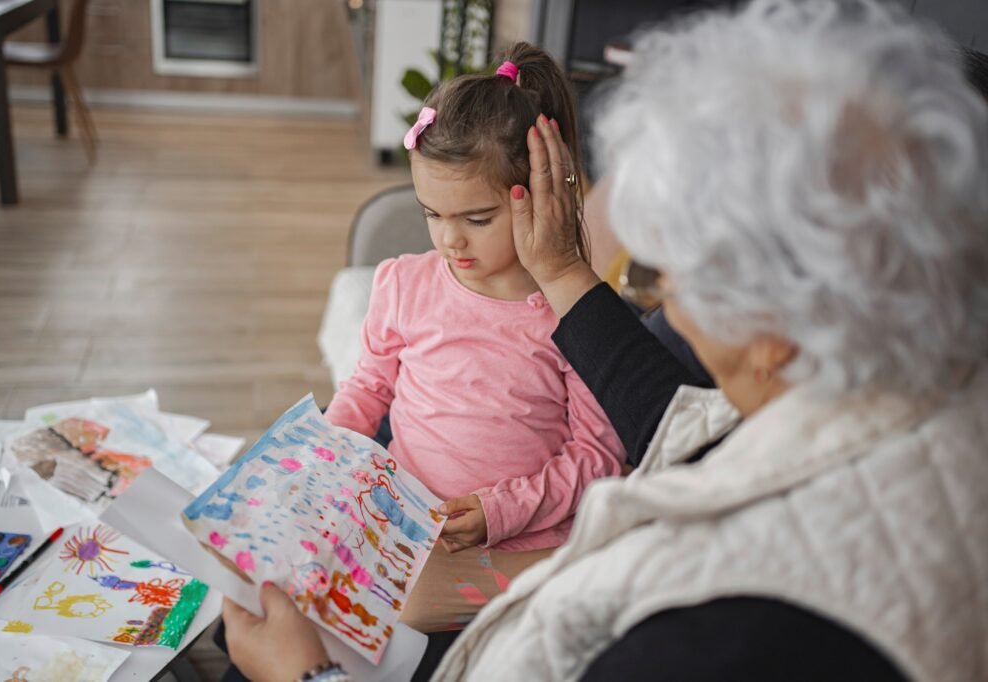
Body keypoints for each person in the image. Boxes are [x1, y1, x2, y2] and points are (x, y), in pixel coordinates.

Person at [222, 1, 988, 680]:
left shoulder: (757, 622)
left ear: (779, 332)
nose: (669, 308)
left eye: (682, 274)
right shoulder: (908, 408)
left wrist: (308, 676)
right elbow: (670, 429)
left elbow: (612, 454)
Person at [320, 42, 635, 633]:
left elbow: (598, 457)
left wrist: (498, 513)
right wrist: (326, 451)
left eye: (476, 219)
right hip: (398, 524)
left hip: (516, 547)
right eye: (431, 214)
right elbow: (368, 388)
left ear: (541, 196)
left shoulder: (574, 316)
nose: (450, 242)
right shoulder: (401, 283)